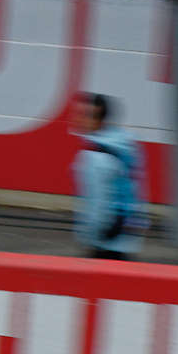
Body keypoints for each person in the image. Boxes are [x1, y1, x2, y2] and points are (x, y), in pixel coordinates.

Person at [69, 92, 146, 260]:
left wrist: (89, 236)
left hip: (104, 239)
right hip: (125, 234)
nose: (77, 119)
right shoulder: (127, 145)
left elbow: (97, 202)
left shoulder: (94, 157)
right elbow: (137, 189)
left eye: (82, 115)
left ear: (96, 119)